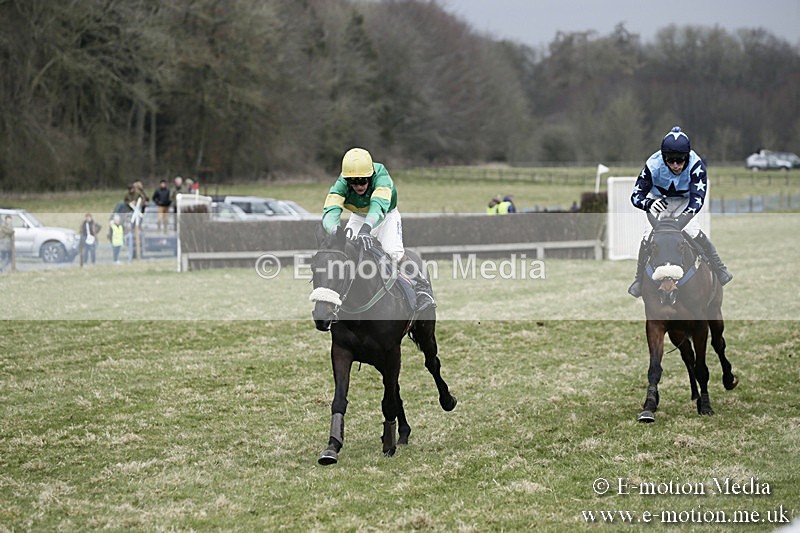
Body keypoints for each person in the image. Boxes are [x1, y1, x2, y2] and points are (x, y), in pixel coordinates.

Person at [321, 147, 434, 312]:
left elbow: (378, 207)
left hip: (386, 215)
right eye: (353, 181)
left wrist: (366, 229)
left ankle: (423, 288)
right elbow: (330, 211)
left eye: (362, 180)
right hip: (359, 216)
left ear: (371, 176)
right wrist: (335, 231)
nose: (358, 185)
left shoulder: (381, 177)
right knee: (346, 250)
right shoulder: (341, 184)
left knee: (392, 251)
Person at [628, 126, 733, 298]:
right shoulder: (652, 165)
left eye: (680, 160)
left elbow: (697, 199)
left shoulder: (696, 166)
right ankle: (638, 280)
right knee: (648, 237)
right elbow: (635, 196)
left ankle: (719, 268)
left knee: (693, 232)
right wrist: (648, 203)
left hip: (686, 202)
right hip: (659, 201)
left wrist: (681, 221)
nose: (676, 165)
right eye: (670, 160)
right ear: (663, 157)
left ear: (687, 157)